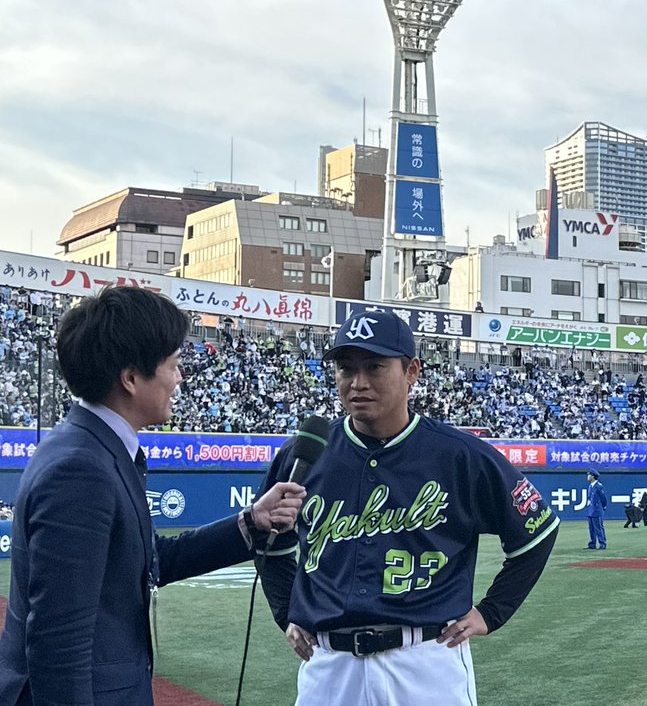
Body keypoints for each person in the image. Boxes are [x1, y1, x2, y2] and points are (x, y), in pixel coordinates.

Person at [0, 286, 305, 706]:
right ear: (130, 378)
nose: (179, 378)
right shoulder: (80, 468)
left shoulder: (92, 447)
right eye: (173, 365)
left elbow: (148, 562)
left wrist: (251, 522)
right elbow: (59, 641)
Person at [259, 310, 559, 706]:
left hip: (426, 660)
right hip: (329, 664)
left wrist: (492, 611)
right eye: (346, 368)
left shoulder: (460, 455)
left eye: (375, 367)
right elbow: (268, 543)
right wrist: (287, 611)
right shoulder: (305, 454)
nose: (358, 382)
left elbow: (537, 530)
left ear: (412, 371)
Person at [586, 469, 608, 550]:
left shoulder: (599, 486)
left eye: (589, 475)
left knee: (598, 527)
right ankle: (592, 543)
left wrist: (604, 506)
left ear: (593, 476)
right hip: (591, 510)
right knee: (591, 528)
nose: (588, 477)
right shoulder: (590, 486)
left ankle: (602, 543)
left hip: (597, 509)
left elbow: (603, 498)